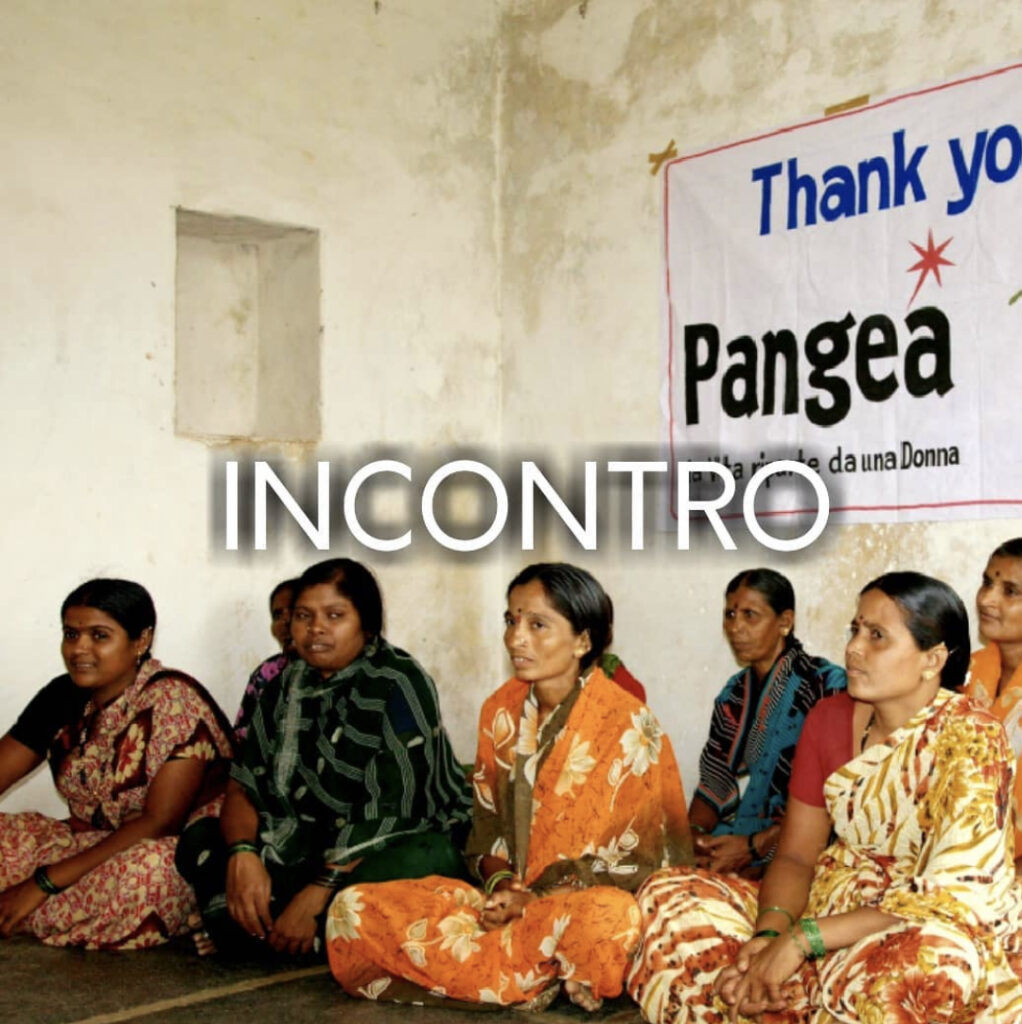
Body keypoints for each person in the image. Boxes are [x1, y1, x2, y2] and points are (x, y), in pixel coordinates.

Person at [627, 571, 1022, 1024]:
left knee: (931, 962)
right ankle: (774, 997)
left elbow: (952, 896)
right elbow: (796, 856)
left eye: (877, 636)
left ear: (932, 659)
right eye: (855, 630)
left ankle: (789, 997)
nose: (854, 648)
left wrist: (803, 942)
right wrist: (768, 935)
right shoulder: (829, 717)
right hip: (828, 904)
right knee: (668, 894)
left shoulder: (972, 737)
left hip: (918, 922)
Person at [326, 562, 692, 1011]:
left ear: (583, 641)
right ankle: (539, 974)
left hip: (574, 906)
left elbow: (643, 862)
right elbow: (484, 833)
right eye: (511, 620)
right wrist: (503, 887)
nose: (516, 638)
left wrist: (536, 898)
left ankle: (518, 969)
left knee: (610, 918)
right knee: (352, 907)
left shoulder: (628, 722)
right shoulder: (499, 711)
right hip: (506, 907)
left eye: (537, 625)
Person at [176, 558, 472, 959]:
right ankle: (314, 935)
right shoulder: (281, 687)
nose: (315, 628)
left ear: (367, 624)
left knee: (421, 861)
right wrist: (243, 856)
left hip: (389, 842)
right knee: (201, 838)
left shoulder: (397, 681)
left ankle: (269, 929)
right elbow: (243, 786)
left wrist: (319, 891)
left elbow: (397, 810)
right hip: (304, 845)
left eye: (335, 616)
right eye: (304, 616)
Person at [0, 578, 234, 949]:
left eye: (99, 636)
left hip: (168, 853)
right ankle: (34, 913)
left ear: (141, 640)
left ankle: (26, 910)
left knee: (148, 875)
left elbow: (159, 823)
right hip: (86, 846)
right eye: (71, 634)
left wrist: (43, 882)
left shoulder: (173, 700)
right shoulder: (63, 695)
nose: (80, 649)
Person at [690, 568, 845, 877]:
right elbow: (716, 779)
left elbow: (837, 795)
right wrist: (693, 835)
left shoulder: (826, 686)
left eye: (750, 615)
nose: (736, 627)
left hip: (806, 841)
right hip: (746, 836)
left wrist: (754, 847)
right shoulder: (734, 694)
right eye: (730, 615)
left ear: (785, 622)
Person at [964, 537, 1022, 874]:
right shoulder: (964, 673)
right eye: (987, 583)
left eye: (1010, 591)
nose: (987, 599)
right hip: (964, 859)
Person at [233, 576, 299, 744]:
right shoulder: (267, 673)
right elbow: (240, 738)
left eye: (294, 611)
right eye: (277, 615)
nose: (285, 622)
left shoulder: (336, 673)